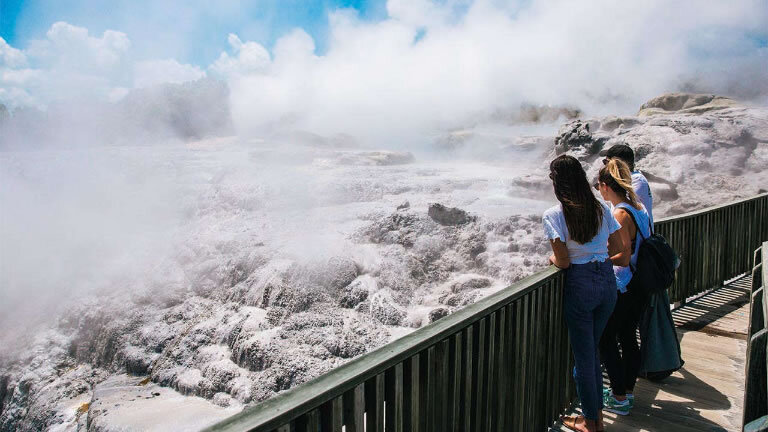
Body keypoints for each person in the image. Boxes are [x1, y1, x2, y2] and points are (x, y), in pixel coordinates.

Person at [543, 155, 625, 432]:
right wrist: (596, 254)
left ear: (556, 183)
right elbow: (619, 247)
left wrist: (553, 261)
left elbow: (563, 260)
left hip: (580, 285)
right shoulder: (601, 208)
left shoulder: (554, 215)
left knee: (584, 359)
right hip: (606, 282)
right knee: (592, 352)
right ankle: (596, 418)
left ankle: (592, 423)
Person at [595, 158, 653, 416]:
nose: (598, 190)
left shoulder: (619, 213)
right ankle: (627, 391)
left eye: (598, 185)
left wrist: (599, 259)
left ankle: (618, 396)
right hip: (641, 283)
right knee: (628, 337)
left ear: (606, 185)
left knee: (606, 340)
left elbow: (624, 256)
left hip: (625, 285)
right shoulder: (639, 207)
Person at [602, 144, 654, 225]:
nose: (606, 167)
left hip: (635, 235)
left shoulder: (637, 180)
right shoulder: (631, 179)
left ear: (619, 164)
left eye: (607, 162)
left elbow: (623, 206)